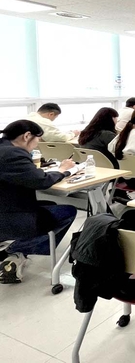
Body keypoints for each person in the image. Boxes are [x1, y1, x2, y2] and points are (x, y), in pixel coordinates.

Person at [0, 120, 82, 284]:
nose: (37, 146)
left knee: (50, 205)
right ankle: (17, 251)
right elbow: (41, 182)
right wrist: (63, 171)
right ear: (27, 136)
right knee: (68, 211)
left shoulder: (4, 148)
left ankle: (17, 251)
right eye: (38, 140)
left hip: (7, 205)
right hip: (9, 216)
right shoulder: (13, 154)